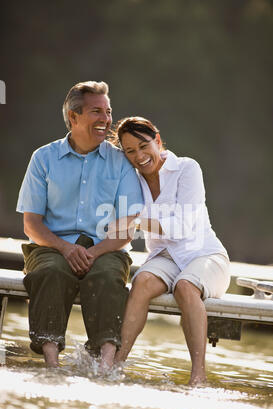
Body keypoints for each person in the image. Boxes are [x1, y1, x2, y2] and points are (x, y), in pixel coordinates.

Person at [16, 82, 144, 369]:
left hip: (106, 247)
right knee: (50, 272)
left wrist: (93, 253)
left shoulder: (121, 163)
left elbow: (125, 230)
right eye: (96, 111)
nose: (106, 120)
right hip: (51, 245)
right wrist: (65, 248)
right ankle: (52, 365)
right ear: (73, 117)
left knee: (108, 276)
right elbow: (31, 224)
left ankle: (106, 367)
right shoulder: (43, 158)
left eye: (108, 112)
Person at [109, 117, 230, 386]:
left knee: (185, 287)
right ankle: (116, 366)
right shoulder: (132, 180)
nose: (139, 156)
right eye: (130, 151)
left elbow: (183, 226)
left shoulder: (187, 168)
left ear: (158, 141)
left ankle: (198, 375)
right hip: (165, 258)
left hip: (205, 255)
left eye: (144, 146)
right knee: (141, 281)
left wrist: (136, 222)